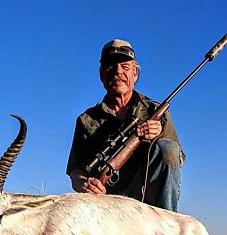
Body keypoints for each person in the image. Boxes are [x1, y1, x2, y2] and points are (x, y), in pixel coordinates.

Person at [66, 39, 185, 212]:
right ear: (101, 74)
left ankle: (168, 227)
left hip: (147, 198)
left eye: (125, 67)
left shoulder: (155, 111)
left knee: (167, 147)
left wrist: (158, 135)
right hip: (105, 201)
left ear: (135, 74)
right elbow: (75, 169)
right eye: (110, 67)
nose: (117, 72)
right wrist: (84, 184)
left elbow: (178, 160)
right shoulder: (86, 119)